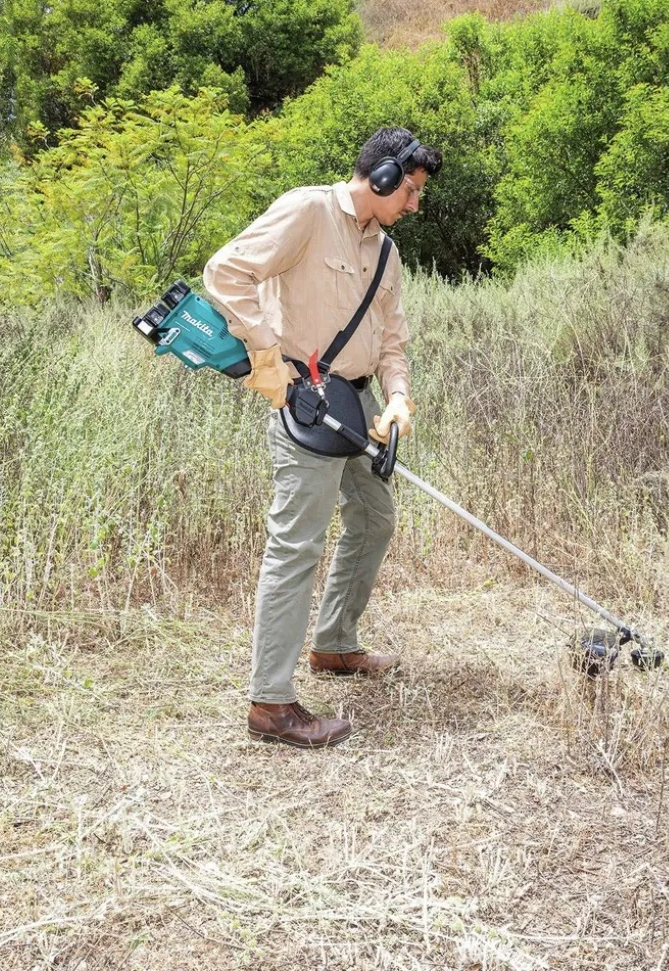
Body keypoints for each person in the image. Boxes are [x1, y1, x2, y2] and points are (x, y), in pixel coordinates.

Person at [203, 127, 442, 750]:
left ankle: (334, 644)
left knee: (375, 518)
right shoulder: (307, 211)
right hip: (305, 403)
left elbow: (392, 338)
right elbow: (225, 272)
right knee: (296, 547)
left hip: (358, 404)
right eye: (410, 190)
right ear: (383, 177)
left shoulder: (386, 252)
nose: (414, 204)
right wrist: (264, 353)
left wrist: (396, 397)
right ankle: (271, 703)